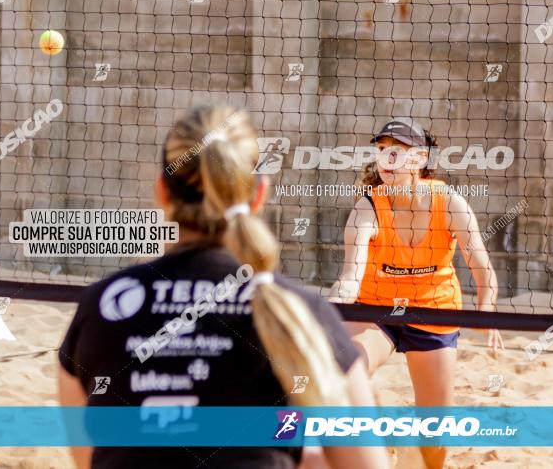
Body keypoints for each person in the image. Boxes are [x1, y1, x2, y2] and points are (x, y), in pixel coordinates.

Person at [57, 105, 389, 469]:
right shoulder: (299, 310)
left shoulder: (101, 307)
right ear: (258, 195)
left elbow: (90, 457)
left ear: (162, 194)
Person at [330, 118, 504, 469]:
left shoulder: (449, 203)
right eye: (381, 150)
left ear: (420, 159)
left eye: (398, 150)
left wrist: (486, 313)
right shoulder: (368, 206)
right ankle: (382, 433)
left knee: (434, 436)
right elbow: (350, 276)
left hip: (434, 309)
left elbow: (483, 270)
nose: (387, 158)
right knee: (344, 369)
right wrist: (332, 306)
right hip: (376, 309)